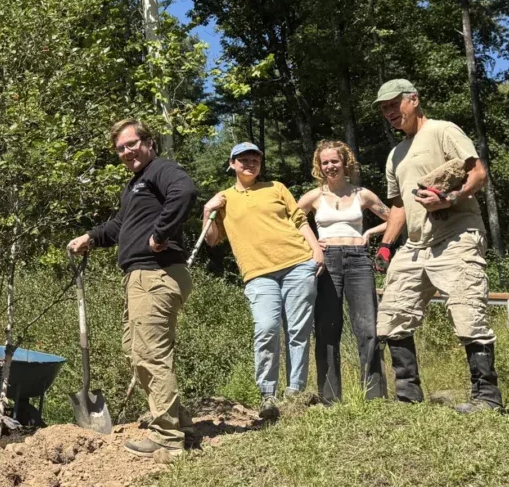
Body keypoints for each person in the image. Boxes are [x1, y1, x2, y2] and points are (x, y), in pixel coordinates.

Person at [68, 119, 198, 459]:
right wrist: (90, 237)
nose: (127, 152)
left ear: (148, 142)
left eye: (132, 144)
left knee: (151, 355)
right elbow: (119, 225)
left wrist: (161, 233)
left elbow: (185, 192)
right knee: (136, 351)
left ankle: (168, 439)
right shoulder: (135, 185)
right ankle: (180, 422)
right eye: (120, 148)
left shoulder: (161, 170)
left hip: (156, 274)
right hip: (141, 278)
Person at [373, 80, 502, 412]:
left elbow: (478, 173)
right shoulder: (395, 154)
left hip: (455, 235)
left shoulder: (443, 131)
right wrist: (386, 246)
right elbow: (399, 206)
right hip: (415, 245)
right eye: (384, 108)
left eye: (394, 104)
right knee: (393, 314)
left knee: (467, 310)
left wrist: (451, 197)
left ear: (414, 99)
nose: (389, 112)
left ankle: (487, 397)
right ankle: (408, 397)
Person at [203, 142, 323, 415]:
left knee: (298, 331)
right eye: (243, 159)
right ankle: (268, 394)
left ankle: (294, 392)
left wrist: (316, 251)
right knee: (267, 328)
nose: (250, 164)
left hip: (298, 263)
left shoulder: (276, 188)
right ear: (232, 164)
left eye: (255, 159)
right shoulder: (223, 199)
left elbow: (299, 220)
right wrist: (207, 210)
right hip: (257, 273)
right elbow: (211, 239)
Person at [295, 141, 391, 403]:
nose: (330, 166)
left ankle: (374, 396)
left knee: (368, 327)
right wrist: (312, 244)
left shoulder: (362, 194)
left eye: (334, 161)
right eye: (325, 162)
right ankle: (330, 399)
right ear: (319, 166)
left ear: (345, 162)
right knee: (327, 327)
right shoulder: (314, 197)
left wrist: (370, 233)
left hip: (359, 260)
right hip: (326, 263)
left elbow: (394, 218)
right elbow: (290, 222)